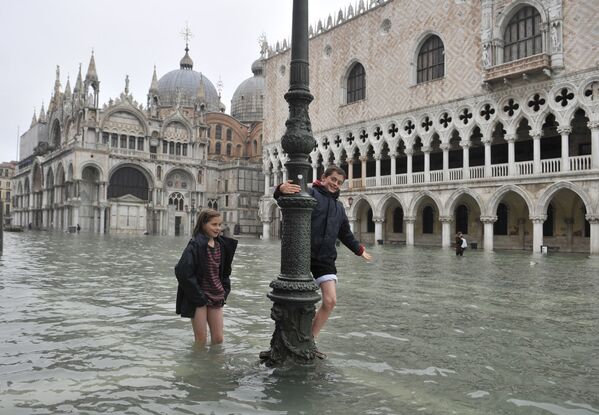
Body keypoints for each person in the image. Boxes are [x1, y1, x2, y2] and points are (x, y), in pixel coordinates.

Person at [275, 165, 372, 340]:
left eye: (339, 182)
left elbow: (345, 234)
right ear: (324, 177)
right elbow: (288, 195)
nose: (335, 184)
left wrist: (359, 250)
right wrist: (280, 189)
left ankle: (310, 338)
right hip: (303, 254)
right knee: (299, 300)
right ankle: (292, 335)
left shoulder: (339, 207)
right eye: (333, 179)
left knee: (330, 300)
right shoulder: (311, 193)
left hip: (325, 259)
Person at [174, 208, 238, 345]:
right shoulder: (195, 245)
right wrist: (198, 296)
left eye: (219, 225)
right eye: (214, 225)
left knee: (218, 339)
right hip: (199, 298)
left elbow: (225, 272)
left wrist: (225, 290)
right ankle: (197, 366)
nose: (218, 228)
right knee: (201, 341)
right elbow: (182, 271)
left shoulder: (222, 245)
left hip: (217, 296)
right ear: (203, 224)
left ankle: (215, 366)